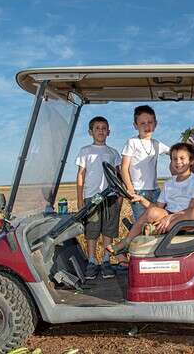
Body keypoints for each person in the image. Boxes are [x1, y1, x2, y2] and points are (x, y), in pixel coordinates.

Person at [106, 143, 194, 254]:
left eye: (182, 158)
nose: (178, 162)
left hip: (184, 218)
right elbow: (158, 207)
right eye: (174, 159)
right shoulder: (169, 183)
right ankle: (126, 242)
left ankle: (156, 229)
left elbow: (192, 208)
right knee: (152, 211)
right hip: (167, 215)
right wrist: (141, 200)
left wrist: (170, 218)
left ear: (191, 161)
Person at [76, 116, 126, 279]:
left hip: (110, 197)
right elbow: (81, 175)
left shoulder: (113, 153)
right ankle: (91, 261)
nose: (101, 131)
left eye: (104, 128)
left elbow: (119, 175)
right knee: (92, 229)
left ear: (109, 132)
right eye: (97, 128)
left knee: (108, 229)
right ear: (91, 132)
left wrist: (120, 197)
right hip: (93, 197)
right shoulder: (85, 151)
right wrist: (80, 199)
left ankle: (106, 260)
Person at [121, 105, 169, 221]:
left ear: (155, 124)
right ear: (135, 125)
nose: (147, 126)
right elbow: (124, 168)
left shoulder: (157, 144)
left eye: (150, 122)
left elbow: (175, 152)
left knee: (160, 219)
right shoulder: (132, 142)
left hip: (155, 190)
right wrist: (130, 188)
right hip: (138, 190)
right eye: (142, 123)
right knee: (142, 223)